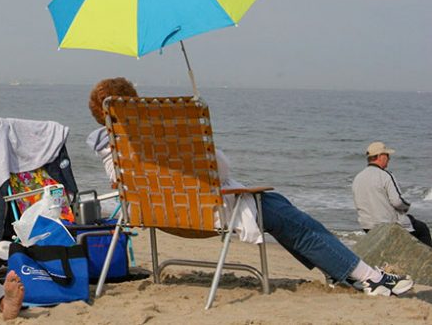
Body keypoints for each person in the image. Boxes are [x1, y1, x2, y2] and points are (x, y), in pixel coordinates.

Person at [86, 77, 415, 297]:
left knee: (280, 207)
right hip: (208, 213)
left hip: (160, 215)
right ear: (135, 105)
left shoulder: (113, 152)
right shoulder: (168, 139)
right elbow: (223, 168)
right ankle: (370, 278)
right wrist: (196, 142)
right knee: (295, 222)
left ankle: (340, 271)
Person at [352, 141, 431, 247]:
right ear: (380, 156)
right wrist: (407, 206)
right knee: (422, 229)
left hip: (367, 226)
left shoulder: (358, 177)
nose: (389, 158)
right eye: (387, 155)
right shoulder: (386, 175)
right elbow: (397, 202)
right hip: (387, 225)